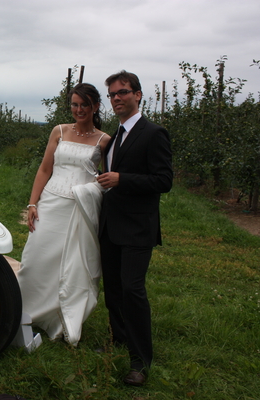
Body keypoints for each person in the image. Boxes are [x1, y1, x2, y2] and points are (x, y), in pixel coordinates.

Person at [17, 83, 110, 346]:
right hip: (51, 203)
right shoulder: (58, 131)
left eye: (85, 105)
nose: (79, 110)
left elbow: (106, 178)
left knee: (70, 264)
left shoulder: (104, 140)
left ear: (95, 107)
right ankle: (26, 309)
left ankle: (59, 316)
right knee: (37, 255)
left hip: (79, 209)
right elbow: (45, 170)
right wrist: (32, 204)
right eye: (75, 104)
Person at [97, 71, 173, 386]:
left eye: (123, 92)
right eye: (112, 95)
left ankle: (140, 361)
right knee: (113, 289)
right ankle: (119, 339)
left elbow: (163, 181)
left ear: (138, 95)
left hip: (138, 227)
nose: (117, 98)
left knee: (133, 290)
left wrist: (121, 179)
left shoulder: (153, 133)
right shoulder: (114, 138)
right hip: (111, 225)